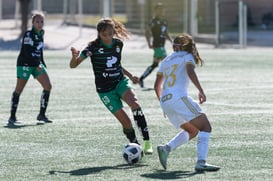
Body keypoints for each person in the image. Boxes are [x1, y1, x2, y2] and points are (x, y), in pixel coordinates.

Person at [69, 18, 153, 154]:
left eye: (110, 33)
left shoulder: (118, 44)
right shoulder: (92, 48)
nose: (108, 37)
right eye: (104, 35)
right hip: (105, 90)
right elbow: (74, 65)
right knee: (126, 123)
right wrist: (74, 57)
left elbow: (117, 65)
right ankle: (136, 145)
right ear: (99, 34)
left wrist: (130, 76)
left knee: (135, 104)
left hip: (120, 82)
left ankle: (147, 142)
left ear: (113, 31)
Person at [154, 33, 220, 171]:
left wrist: (164, 105)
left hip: (165, 101)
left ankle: (166, 149)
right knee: (205, 127)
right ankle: (201, 162)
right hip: (178, 97)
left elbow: (156, 86)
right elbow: (190, 71)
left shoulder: (165, 60)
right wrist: (201, 90)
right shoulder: (187, 56)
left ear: (173, 46)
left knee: (192, 130)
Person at [8, 12, 52, 125]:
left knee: (48, 86)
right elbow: (27, 52)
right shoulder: (28, 34)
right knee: (19, 89)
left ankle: (41, 114)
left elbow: (40, 50)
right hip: (25, 65)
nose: (40, 24)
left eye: (42, 21)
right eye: (37, 21)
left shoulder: (42, 33)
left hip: (37, 64)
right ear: (32, 23)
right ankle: (12, 116)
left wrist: (42, 62)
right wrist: (36, 63)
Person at [139, 2, 172, 88]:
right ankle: (169, 83)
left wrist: (171, 41)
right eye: (159, 10)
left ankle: (141, 79)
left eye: (162, 9)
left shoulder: (164, 21)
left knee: (155, 64)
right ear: (155, 11)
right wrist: (149, 43)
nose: (161, 11)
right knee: (166, 63)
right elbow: (147, 32)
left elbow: (165, 32)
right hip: (158, 45)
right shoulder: (153, 21)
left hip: (162, 45)